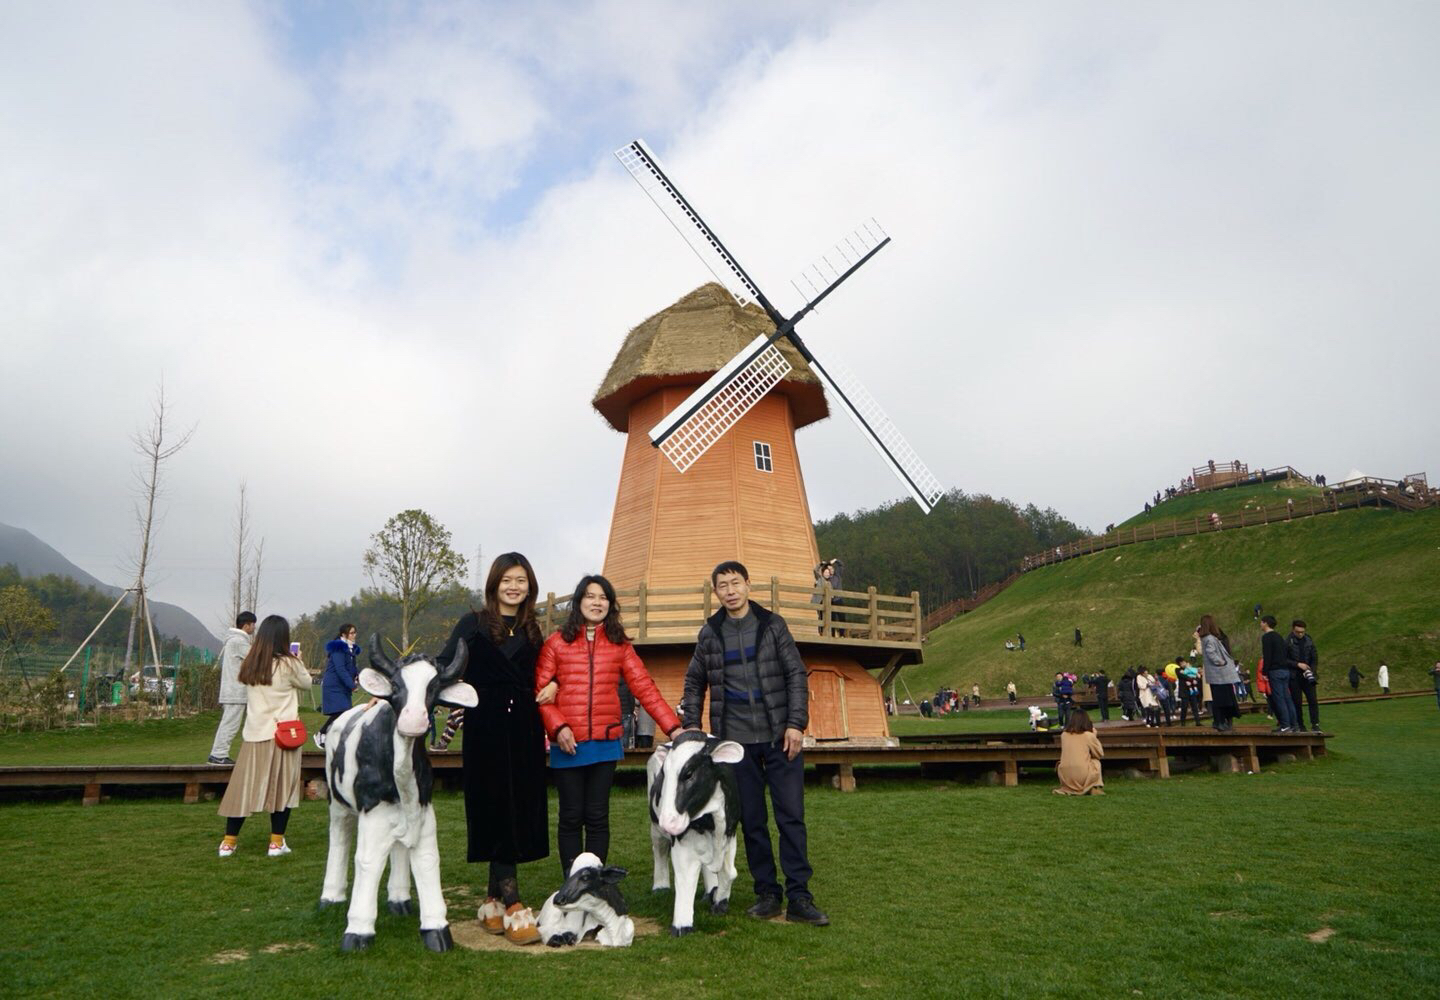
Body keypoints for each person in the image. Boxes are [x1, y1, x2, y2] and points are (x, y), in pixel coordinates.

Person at [681, 560, 828, 927]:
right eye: (723, 585)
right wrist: (690, 726)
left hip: (780, 738)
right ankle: (767, 892)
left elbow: (795, 672)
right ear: (715, 591)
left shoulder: (772, 625)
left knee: (791, 816)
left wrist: (796, 723)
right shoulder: (710, 633)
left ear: (748, 585)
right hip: (737, 743)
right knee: (753, 820)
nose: (730, 590)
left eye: (736, 583)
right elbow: (695, 680)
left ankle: (799, 896)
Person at [438, 553, 552, 946]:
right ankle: (515, 902)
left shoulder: (533, 629)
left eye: (521, 580)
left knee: (517, 805)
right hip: (485, 728)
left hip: (522, 727)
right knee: (494, 804)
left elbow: (545, 674)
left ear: (529, 586)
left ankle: (492, 901)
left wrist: (553, 687)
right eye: (507, 580)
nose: (514, 587)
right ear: (494, 584)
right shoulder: (472, 624)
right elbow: (444, 666)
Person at [537, 574, 681, 878]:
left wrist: (673, 728)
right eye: (590, 596)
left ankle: (595, 878)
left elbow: (644, 687)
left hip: (604, 741)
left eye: (603, 597)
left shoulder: (619, 645)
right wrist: (558, 727)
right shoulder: (556, 644)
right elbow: (541, 693)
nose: (596, 602)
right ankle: (572, 878)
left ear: (610, 605)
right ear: (578, 602)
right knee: (571, 815)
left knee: (598, 815)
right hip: (568, 741)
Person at [216, 614, 313, 858]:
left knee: (242, 790)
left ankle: (228, 842)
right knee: (283, 791)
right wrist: (298, 660)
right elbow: (307, 683)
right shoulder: (289, 663)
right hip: (283, 736)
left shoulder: (251, 663)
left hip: (254, 734)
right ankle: (276, 842)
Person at [207, 611, 256, 765]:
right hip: (235, 691)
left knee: (230, 723)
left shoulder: (234, 640)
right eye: (253, 624)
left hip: (234, 690)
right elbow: (255, 658)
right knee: (230, 724)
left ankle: (219, 753)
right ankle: (218, 754)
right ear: (246, 625)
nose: (254, 627)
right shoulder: (238, 641)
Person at [316, 623, 359, 748]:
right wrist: (352, 685)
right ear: (343, 634)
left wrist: (358, 675)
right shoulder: (338, 648)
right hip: (334, 685)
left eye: (355, 632)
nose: (354, 635)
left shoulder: (350, 648)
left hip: (342, 686)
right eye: (351, 633)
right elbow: (340, 669)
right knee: (341, 711)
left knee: (344, 713)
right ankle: (321, 733)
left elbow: (351, 667)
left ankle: (333, 738)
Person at [1197, 615, 1242, 732]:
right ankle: (1219, 722)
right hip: (1219, 674)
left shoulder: (1206, 638)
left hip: (1214, 674)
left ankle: (1219, 721)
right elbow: (1211, 653)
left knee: (1218, 699)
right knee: (1221, 699)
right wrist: (1221, 662)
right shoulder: (1210, 639)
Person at [1259, 616, 1301, 733]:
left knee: (1279, 699)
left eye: (1262, 622)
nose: (1261, 624)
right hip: (1285, 670)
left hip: (1275, 670)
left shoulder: (1267, 637)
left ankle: (1285, 725)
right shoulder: (1279, 636)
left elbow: (1267, 655)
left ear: (1266, 623)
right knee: (1287, 698)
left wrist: (1265, 672)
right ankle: (1294, 725)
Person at [1053, 709, 1104, 795]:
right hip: (1081, 773)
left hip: (1065, 775)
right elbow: (1099, 754)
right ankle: (1092, 786)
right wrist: (1094, 737)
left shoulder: (1064, 735)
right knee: (1096, 762)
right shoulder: (1088, 735)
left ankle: (1071, 787)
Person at [1285, 620, 1321, 732]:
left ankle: (1315, 724)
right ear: (1293, 630)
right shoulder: (1287, 641)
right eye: (1298, 632)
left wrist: (1312, 671)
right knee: (1297, 702)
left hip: (1308, 675)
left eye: (1302, 632)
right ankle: (1300, 725)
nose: (1300, 634)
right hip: (1294, 676)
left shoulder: (1309, 640)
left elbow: (1314, 657)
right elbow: (1284, 659)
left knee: (1313, 700)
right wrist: (1297, 664)